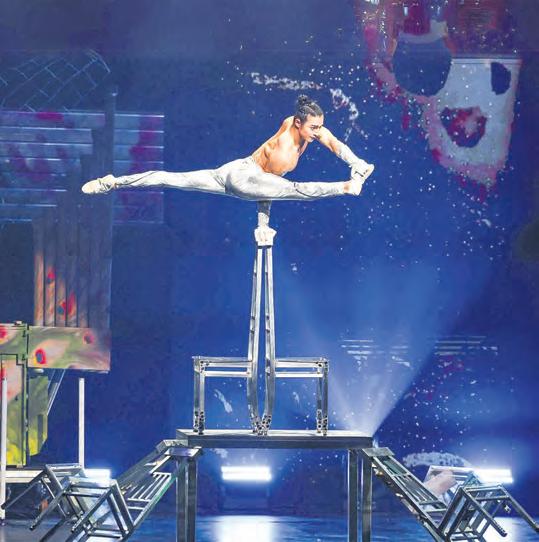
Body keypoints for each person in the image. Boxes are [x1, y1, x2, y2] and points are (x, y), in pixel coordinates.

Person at [81, 95, 374, 200]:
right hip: (246, 179)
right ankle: (346, 188)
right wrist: (350, 181)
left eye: (319, 126)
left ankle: (111, 182)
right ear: (298, 123)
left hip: (233, 169)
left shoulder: (294, 123)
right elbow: (273, 188)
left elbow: (332, 142)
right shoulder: (285, 152)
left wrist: (356, 162)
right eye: (314, 128)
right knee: (298, 192)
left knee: (169, 178)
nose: (318, 133)